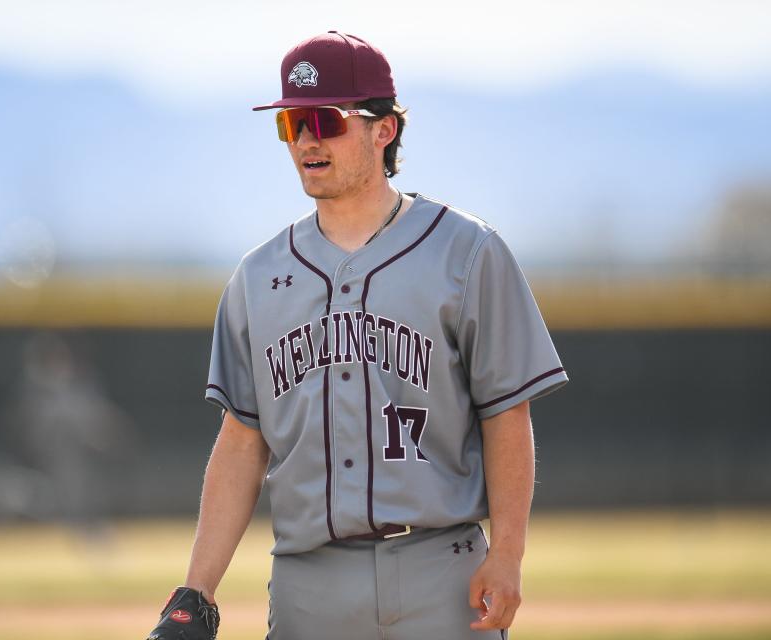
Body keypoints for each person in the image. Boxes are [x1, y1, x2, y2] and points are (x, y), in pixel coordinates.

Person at [146, 31, 567, 640]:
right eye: (293, 123)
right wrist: (198, 588)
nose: (308, 140)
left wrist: (508, 555)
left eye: (326, 120)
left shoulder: (467, 252)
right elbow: (242, 440)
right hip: (307, 583)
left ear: (383, 130)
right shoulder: (257, 277)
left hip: (441, 574)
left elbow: (507, 413)